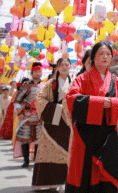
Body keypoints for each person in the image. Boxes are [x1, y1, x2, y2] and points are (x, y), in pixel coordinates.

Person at [65, 42, 118, 193]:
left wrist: (111, 103)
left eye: (108, 54)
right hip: (85, 135)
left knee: (109, 174)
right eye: (101, 54)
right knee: (84, 173)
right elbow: (71, 98)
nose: (105, 57)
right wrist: (99, 103)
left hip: (109, 137)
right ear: (93, 58)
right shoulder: (82, 79)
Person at [32, 57, 72, 189]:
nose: (64, 67)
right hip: (52, 123)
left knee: (67, 152)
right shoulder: (50, 83)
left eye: (67, 65)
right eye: (62, 65)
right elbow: (40, 99)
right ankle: (50, 182)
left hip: (67, 123)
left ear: (70, 67)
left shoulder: (75, 83)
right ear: (57, 68)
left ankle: (66, 182)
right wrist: (55, 108)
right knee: (50, 151)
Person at [14, 62, 44, 168]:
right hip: (27, 115)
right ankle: (26, 160)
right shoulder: (26, 86)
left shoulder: (44, 86)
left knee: (38, 139)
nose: (38, 73)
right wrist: (19, 114)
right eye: (36, 71)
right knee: (24, 138)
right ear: (32, 72)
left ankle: (36, 159)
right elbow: (17, 101)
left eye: (39, 71)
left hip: (40, 115)